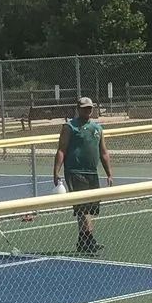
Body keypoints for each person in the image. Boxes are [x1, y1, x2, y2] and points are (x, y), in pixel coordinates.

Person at [53, 96, 114, 255]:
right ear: (78, 109)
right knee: (83, 208)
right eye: (85, 108)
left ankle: (84, 240)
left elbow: (104, 152)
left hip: (91, 172)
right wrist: (56, 171)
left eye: (90, 108)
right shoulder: (69, 127)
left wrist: (109, 173)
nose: (88, 111)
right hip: (75, 171)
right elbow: (61, 149)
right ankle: (88, 239)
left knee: (89, 208)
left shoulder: (97, 128)